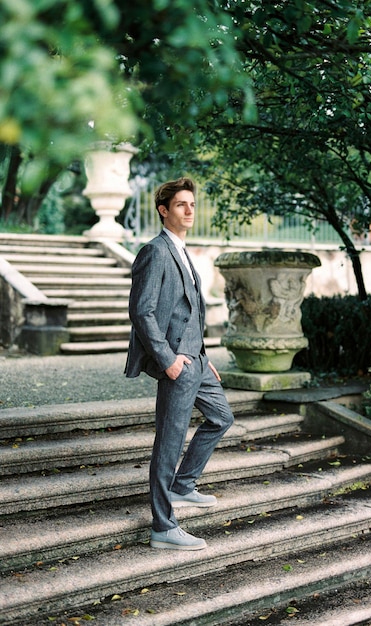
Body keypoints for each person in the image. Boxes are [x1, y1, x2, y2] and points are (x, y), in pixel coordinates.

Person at [125, 177, 234, 550]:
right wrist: (168, 360)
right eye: (181, 205)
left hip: (197, 361)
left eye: (192, 204)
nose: (189, 211)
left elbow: (188, 312)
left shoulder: (183, 252)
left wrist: (204, 356)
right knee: (169, 442)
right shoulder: (155, 252)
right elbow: (142, 312)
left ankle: (183, 485)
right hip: (177, 363)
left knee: (222, 417)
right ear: (163, 211)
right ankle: (163, 526)